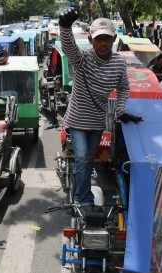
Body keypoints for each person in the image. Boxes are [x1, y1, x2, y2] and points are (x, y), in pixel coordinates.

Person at [58, 8, 142, 210]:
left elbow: (123, 88)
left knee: (91, 158)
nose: (103, 43)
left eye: (107, 39)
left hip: (97, 121)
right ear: (90, 39)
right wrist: (65, 27)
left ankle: (85, 192)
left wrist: (121, 110)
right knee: (83, 156)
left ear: (114, 39)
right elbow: (69, 48)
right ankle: (83, 198)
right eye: (98, 39)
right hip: (77, 120)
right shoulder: (82, 58)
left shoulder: (119, 63)